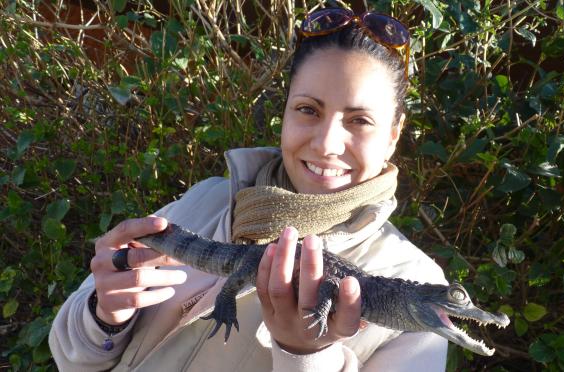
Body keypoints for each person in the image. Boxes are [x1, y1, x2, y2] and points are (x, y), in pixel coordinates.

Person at [49, 7, 448, 371]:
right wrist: (104, 315)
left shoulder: (417, 291)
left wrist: (305, 356)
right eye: (308, 110)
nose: (327, 143)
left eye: (359, 120)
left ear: (394, 136)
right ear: (286, 112)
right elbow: (72, 359)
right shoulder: (204, 200)